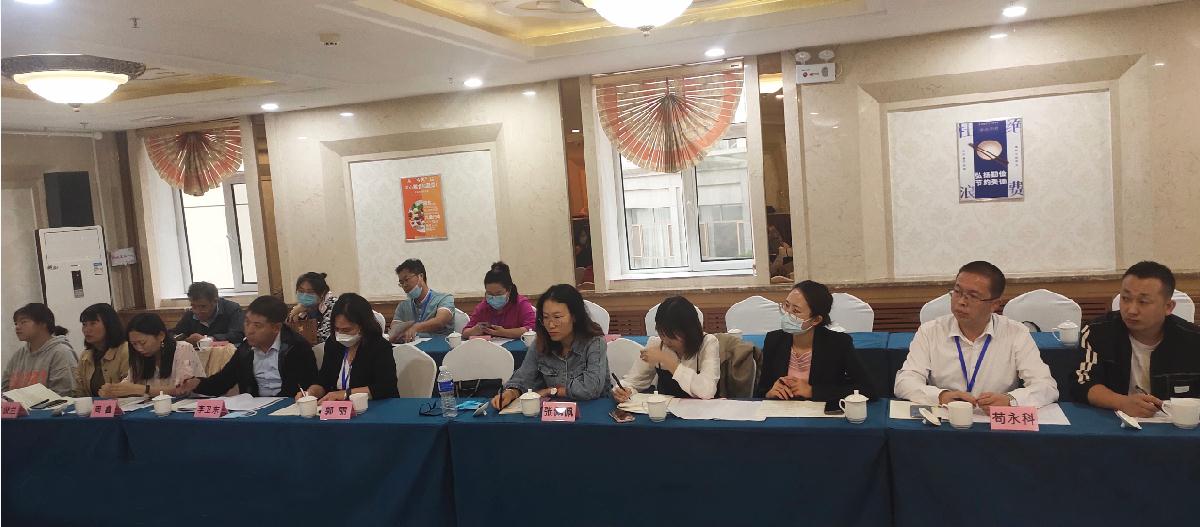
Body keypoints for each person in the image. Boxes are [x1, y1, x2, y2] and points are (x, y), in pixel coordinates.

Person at [894, 261, 1058, 410]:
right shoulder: (930, 331)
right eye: (957, 292)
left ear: (994, 304)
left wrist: (1010, 400)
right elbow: (905, 381)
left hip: (994, 421)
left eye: (972, 296)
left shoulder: (1016, 333)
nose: (961, 301)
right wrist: (940, 396)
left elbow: (1046, 386)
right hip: (946, 418)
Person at [1074, 261, 1200, 416]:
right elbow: (1082, 381)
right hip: (1115, 422)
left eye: (1143, 302)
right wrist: (1121, 402)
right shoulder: (1097, 331)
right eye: (1125, 298)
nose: (1131, 310)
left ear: (1168, 307)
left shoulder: (1193, 340)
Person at [173, 295, 318, 398]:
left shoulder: (296, 348)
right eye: (247, 323)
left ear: (276, 328)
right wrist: (196, 383)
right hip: (253, 411)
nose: (249, 330)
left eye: (257, 325)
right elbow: (222, 382)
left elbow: (304, 388)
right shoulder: (246, 349)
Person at [491, 284, 609, 408]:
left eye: (557, 317)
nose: (551, 325)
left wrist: (552, 391)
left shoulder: (594, 342)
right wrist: (511, 393)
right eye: (546, 317)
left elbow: (591, 389)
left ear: (574, 316)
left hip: (592, 409)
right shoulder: (541, 342)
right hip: (554, 412)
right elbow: (523, 377)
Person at [754, 281, 871, 401]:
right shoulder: (774, 340)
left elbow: (868, 389)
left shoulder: (838, 343)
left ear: (816, 320)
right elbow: (761, 391)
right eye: (787, 305)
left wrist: (813, 391)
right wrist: (769, 393)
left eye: (796, 311)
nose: (787, 314)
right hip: (782, 410)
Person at [612, 295, 720, 401]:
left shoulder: (708, 343)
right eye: (662, 334)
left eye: (672, 335)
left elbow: (707, 391)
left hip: (702, 410)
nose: (666, 340)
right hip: (666, 410)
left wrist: (667, 360)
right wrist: (623, 390)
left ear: (689, 331)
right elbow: (633, 381)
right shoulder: (656, 344)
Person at [301, 293, 399, 401]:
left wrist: (346, 394)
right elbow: (324, 380)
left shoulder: (379, 346)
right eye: (337, 329)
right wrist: (311, 393)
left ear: (363, 326)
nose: (340, 334)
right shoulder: (333, 344)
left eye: (347, 330)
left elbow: (385, 387)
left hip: (374, 405)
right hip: (339, 407)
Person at [100, 313, 204, 397]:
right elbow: (130, 382)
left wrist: (143, 389)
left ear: (161, 336)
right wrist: (114, 390)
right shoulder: (139, 356)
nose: (139, 348)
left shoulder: (183, 349)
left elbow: (182, 390)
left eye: (143, 343)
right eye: (134, 344)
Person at [3, 303, 77, 395]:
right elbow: (4, 390)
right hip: (16, 405)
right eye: (16, 323)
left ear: (43, 324)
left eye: (23, 322)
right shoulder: (18, 355)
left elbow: (64, 395)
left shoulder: (61, 352)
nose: (17, 327)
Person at [462, 262, 536, 339]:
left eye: (498, 293)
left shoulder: (521, 304)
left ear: (509, 290)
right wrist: (474, 330)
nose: (494, 297)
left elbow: (531, 328)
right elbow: (465, 332)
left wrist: (504, 332)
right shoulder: (483, 307)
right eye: (490, 293)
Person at [388, 259, 455, 343]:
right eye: (401, 283)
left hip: (439, 347)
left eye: (407, 279)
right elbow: (395, 328)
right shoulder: (403, 306)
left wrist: (416, 327)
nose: (404, 285)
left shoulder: (444, 298)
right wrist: (395, 334)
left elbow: (440, 321)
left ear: (421, 276)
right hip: (410, 348)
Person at [73, 303, 131, 397]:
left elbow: (131, 390)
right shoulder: (85, 356)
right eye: (84, 324)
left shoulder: (126, 351)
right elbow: (79, 392)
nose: (86, 330)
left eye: (93, 323)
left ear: (109, 325)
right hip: (94, 406)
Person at [171, 281, 245, 345]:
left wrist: (207, 339)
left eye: (203, 306)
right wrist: (181, 339)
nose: (197, 311)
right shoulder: (190, 314)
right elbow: (173, 333)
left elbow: (237, 335)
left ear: (215, 301)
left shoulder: (232, 309)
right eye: (193, 306)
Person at [286, 272, 338, 342]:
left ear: (322, 293)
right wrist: (294, 318)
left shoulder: (334, 304)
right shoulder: (300, 308)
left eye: (310, 292)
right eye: (301, 291)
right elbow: (287, 336)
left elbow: (325, 337)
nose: (304, 295)